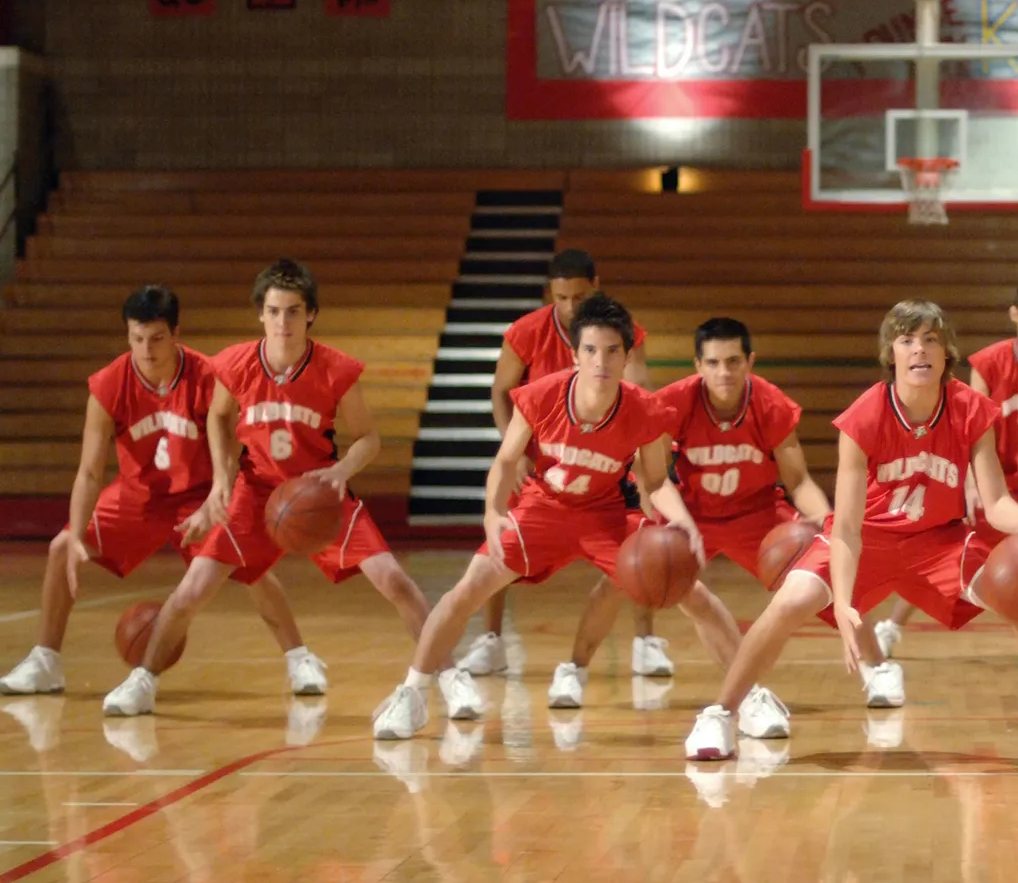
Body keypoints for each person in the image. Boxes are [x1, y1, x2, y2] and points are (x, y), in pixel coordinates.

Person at [683, 300, 1018, 760]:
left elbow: (997, 503)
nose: (919, 350)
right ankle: (722, 714)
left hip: (940, 543)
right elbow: (845, 528)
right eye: (907, 340)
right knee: (790, 600)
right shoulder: (864, 416)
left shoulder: (972, 409)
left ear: (947, 353)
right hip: (869, 540)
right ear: (891, 354)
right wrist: (844, 603)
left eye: (930, 339)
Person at [101, 259, 468, 719]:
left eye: (293, 311)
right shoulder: (235, 364)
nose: (283, 322)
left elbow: (369, 439)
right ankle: (143, 682)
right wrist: (220, 481)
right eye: (274, 311)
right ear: (261, 314)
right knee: (192, 590)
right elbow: (217, 417)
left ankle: (453, 677)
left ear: (310, 314)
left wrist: (342, 472)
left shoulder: (335, 369)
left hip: (316, 493)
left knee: (395, 580)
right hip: (256, 495)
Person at [372, 294, 709, 739]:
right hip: (542, 508)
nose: (600, 361)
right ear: (574, 355)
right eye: (590, 350)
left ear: (627, 356)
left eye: (611, 351)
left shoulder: (644, 409)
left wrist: (681, 519)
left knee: (692, 591)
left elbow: (656, 482)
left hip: (605, 515)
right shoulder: (541, 396)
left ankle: (744, 699)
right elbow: (506, 459)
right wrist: (493, 512)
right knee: (469, 587)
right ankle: (412, 693)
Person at [0, 286, 311, 696]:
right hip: (138, 497)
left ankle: (300, 660)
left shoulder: (209, 378)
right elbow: (89, 473)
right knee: (61, 548)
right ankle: (45, 661)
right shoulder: (109, 384)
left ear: (176, 333)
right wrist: (77, 532)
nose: (146, 350)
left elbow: (233, 455)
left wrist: (215, 503)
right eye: (137, 339)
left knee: (250, 568)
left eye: (157, 338)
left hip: (200, 495)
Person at [545, 316, 833, 717]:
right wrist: (657, 517)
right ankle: (574, 668)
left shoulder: (771, 404)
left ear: (750, 362)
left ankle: (877, 666)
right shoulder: (672, 402)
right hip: (689, 511)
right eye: (714, 362)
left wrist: (830, 525)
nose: (724, 372)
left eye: (733, 361)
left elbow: (799, 480)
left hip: (756, 511)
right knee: (622, 576)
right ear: (698, 365)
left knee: (826, 576)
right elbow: (653, 477)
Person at [873, 277, 1018, 658]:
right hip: (998, 486)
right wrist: (969, 485)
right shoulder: (988, 362)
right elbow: (967, 430)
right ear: (1015, 314)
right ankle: (890, 627)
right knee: (949, 557)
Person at [457, 249, 668, 678]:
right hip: (540, 456)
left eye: (579, 295)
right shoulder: (526, 331)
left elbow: (639, 383)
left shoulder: (618, 333)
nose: (571, 306)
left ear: (596, 285)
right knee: (499, 544)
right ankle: (493, 640)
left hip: (607, 447)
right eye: (562, 297)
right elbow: (501, 390)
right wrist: (511, 453)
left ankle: (645, 641)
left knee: (646, 539)